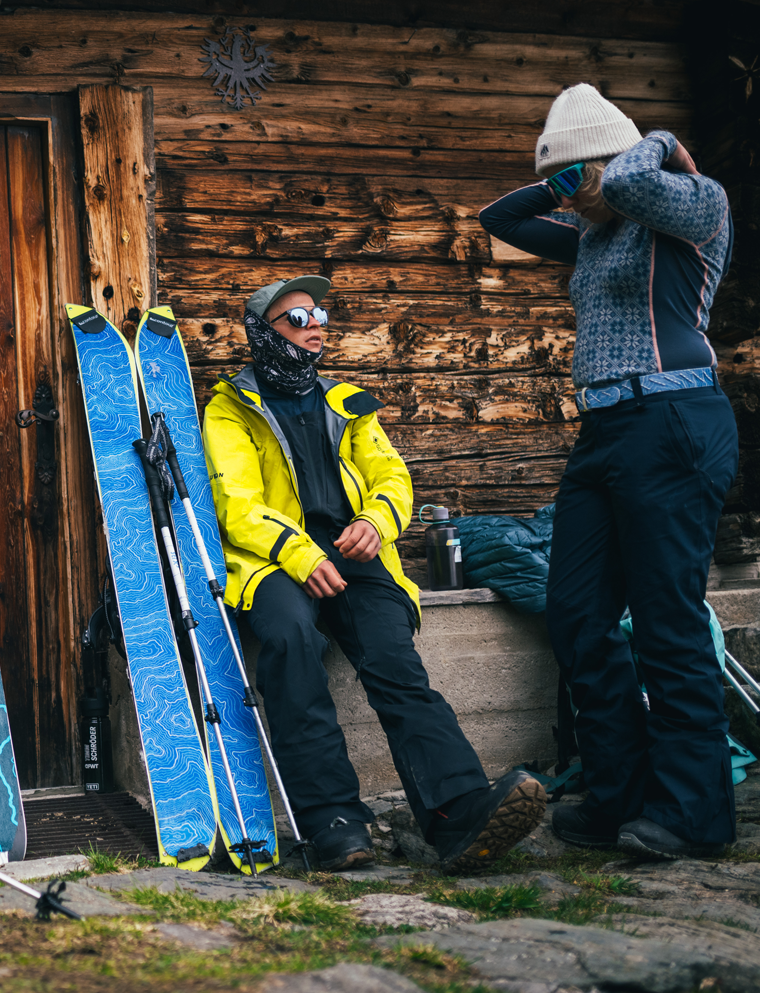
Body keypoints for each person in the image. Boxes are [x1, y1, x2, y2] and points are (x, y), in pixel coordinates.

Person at [202, 275, 547, 873]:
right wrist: (300, 555)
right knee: (291, 642)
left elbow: (392, 477)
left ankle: (458, 812)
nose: (314, 327)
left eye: (319, 315)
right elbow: (236, 503)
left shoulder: (348, 401)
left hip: (356, 556)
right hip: (273, 561)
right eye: (297, 319)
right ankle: (332, 820)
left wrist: (374, 522)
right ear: (263, 333)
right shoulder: (230, 409)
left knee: (395, 661)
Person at [479, 84, 736, 860]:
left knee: (666, 621)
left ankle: (692, 814)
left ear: (613, 162)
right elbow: (500, 218)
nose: (569, 195)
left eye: (575, 176)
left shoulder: (696, 205)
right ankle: (618, 794)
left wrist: (654, 142)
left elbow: (626, 183)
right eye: (561, 182)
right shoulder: (593, 233)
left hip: (673, 421)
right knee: (577, 616)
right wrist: (560, 179)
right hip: (603, 433)